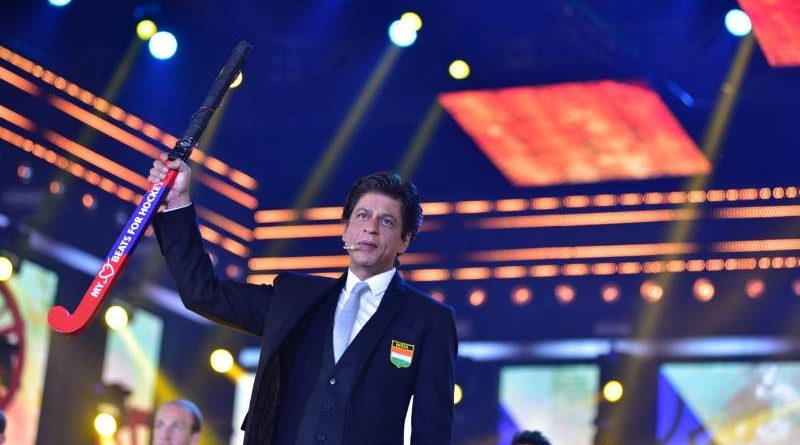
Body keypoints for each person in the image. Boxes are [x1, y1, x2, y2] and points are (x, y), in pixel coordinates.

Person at [149, 154, 458, 445]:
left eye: (387, 221)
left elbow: (432, 431)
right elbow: (204, 293)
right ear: (345, 230)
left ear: (405, 240)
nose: (371, 228)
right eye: (363, 215)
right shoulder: (293, 298)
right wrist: (178, 201)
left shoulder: (429, 320)